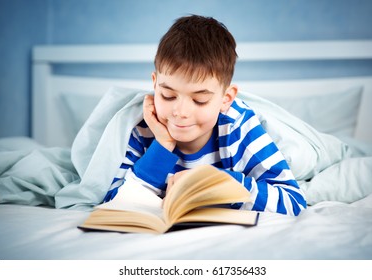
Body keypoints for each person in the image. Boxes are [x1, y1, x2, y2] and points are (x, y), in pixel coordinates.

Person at [103, 15, 307, 216]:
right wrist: (163, 145)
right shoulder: (144, 127)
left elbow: (293, 202)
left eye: (199, 100)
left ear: (226, 99)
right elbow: (113, 204)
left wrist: (218, 184)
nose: (181, 112)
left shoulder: (238, 128)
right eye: (168, 95)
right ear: (155, 84)